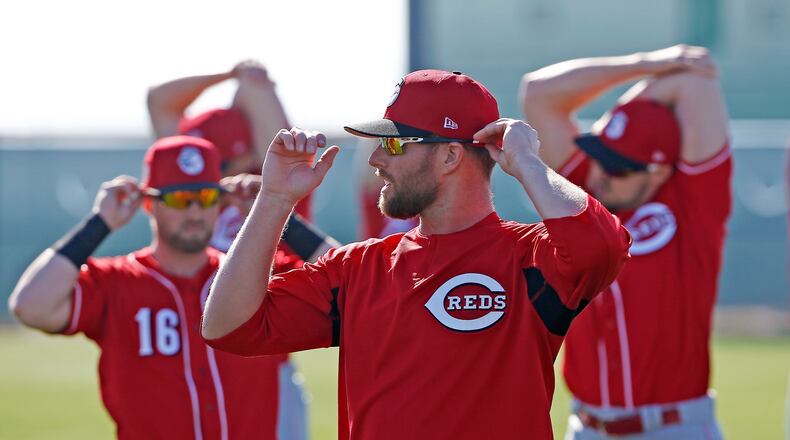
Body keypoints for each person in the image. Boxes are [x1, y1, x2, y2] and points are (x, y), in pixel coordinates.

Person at [201, 69, 631, 439]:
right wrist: (274, 199)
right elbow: (226, 326)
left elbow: (603, 247)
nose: (375, 160)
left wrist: (527, 163)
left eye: (394, 145)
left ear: (448, 156)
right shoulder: (358, 267)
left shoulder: (527, 257)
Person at [9, 136, 302, 439]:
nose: (194, 212)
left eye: (205, 197)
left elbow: (345, 291)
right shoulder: (116, 280)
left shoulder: (260, 276)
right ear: (149, 204)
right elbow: (30, 306)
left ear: (221, 200)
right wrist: (101, 222)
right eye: (178, 198)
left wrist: (275, 205)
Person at [520, 44, 731, 438]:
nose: (599, 171)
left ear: (657, 172)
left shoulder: (694, 203)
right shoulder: (585, 185)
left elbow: (695, 82)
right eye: (600, 151)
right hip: (587, 427)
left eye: (617, 166)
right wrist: (643, 65)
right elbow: (538, 93)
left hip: (674, 428)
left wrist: (638, 104)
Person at [147, 59, 338, 261]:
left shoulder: (281, 181)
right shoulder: (187, 195)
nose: (205, 174)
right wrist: (229, 74)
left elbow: (254, 88)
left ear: (246, 158)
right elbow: (159, 100)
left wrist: (243, 75)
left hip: (274, 286)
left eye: (218, 164)